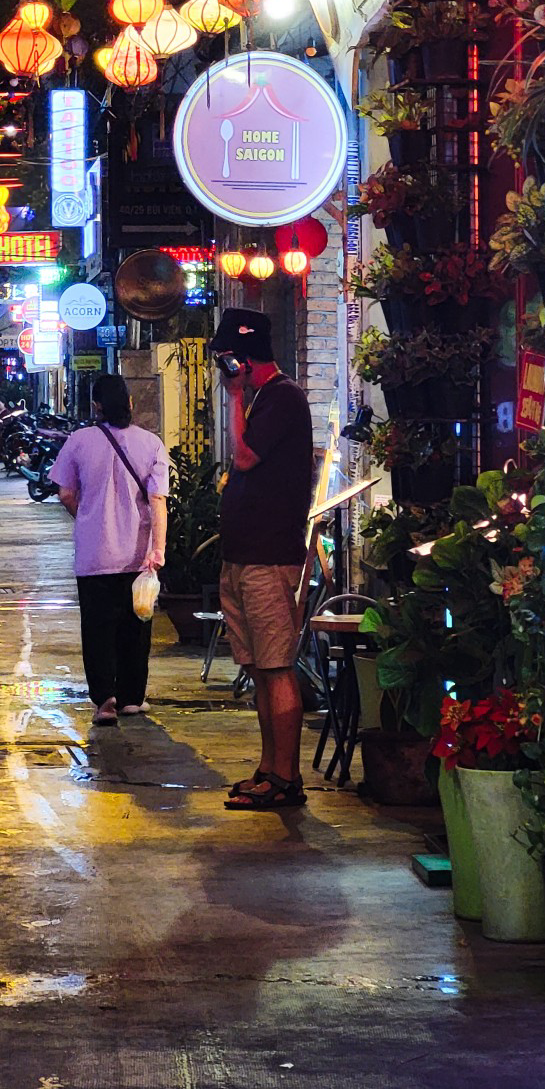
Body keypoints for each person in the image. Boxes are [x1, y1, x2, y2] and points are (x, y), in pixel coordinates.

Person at [211, 307, 315, 813]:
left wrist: (233, 398)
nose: (224, 372)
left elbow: (246, 457)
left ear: (242, 359)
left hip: (269, 559)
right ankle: (269, 767)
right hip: (244, 555)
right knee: (258, 667)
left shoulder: (282, 397)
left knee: (276, 668)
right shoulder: (263, 400)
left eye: (227, 362)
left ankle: (286, 777)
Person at [48, 374, 169, 727]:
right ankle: (132, 698)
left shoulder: (79, 441)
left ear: (95, 406)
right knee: (137, 626)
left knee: (98, 629)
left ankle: (105, 701)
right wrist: (157, 549)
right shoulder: (151, 443)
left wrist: (86, 517)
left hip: (94, 554)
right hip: (138, 554)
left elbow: (66, 494)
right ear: (130, 403)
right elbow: (157, 500)